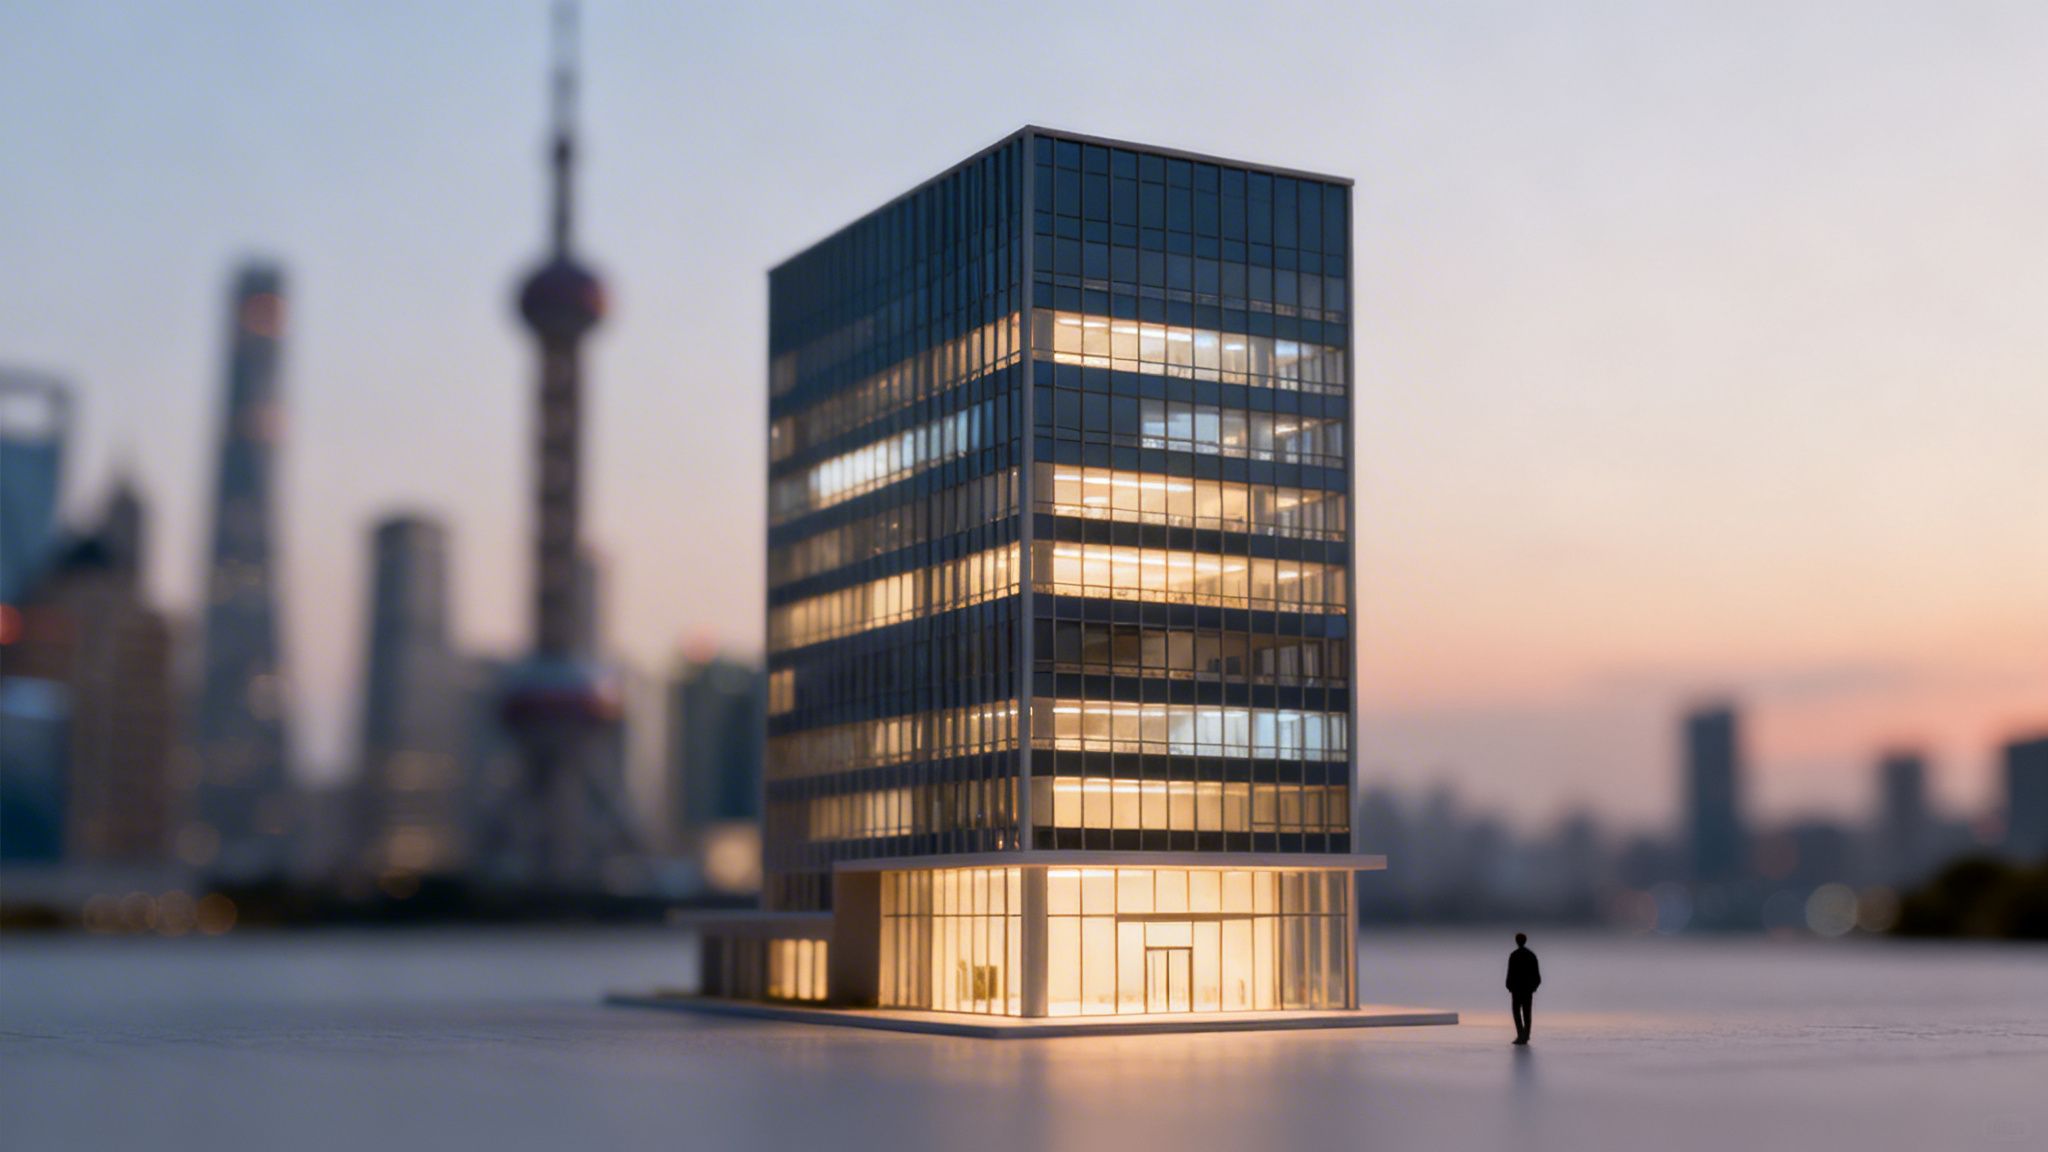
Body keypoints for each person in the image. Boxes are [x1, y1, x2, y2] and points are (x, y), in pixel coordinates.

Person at [1505, 932, 1540, 1045]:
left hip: (1517, 990)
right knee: (1527, 1013)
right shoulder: (1531, 955)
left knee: (1517, 1012)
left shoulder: (1514, 955)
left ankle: (1521, 1035)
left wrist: (1509, 986)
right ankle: (1525, 1035)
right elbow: (1537, 975)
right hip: (1527, 990)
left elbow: (1510, 973)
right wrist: (1534, 987)